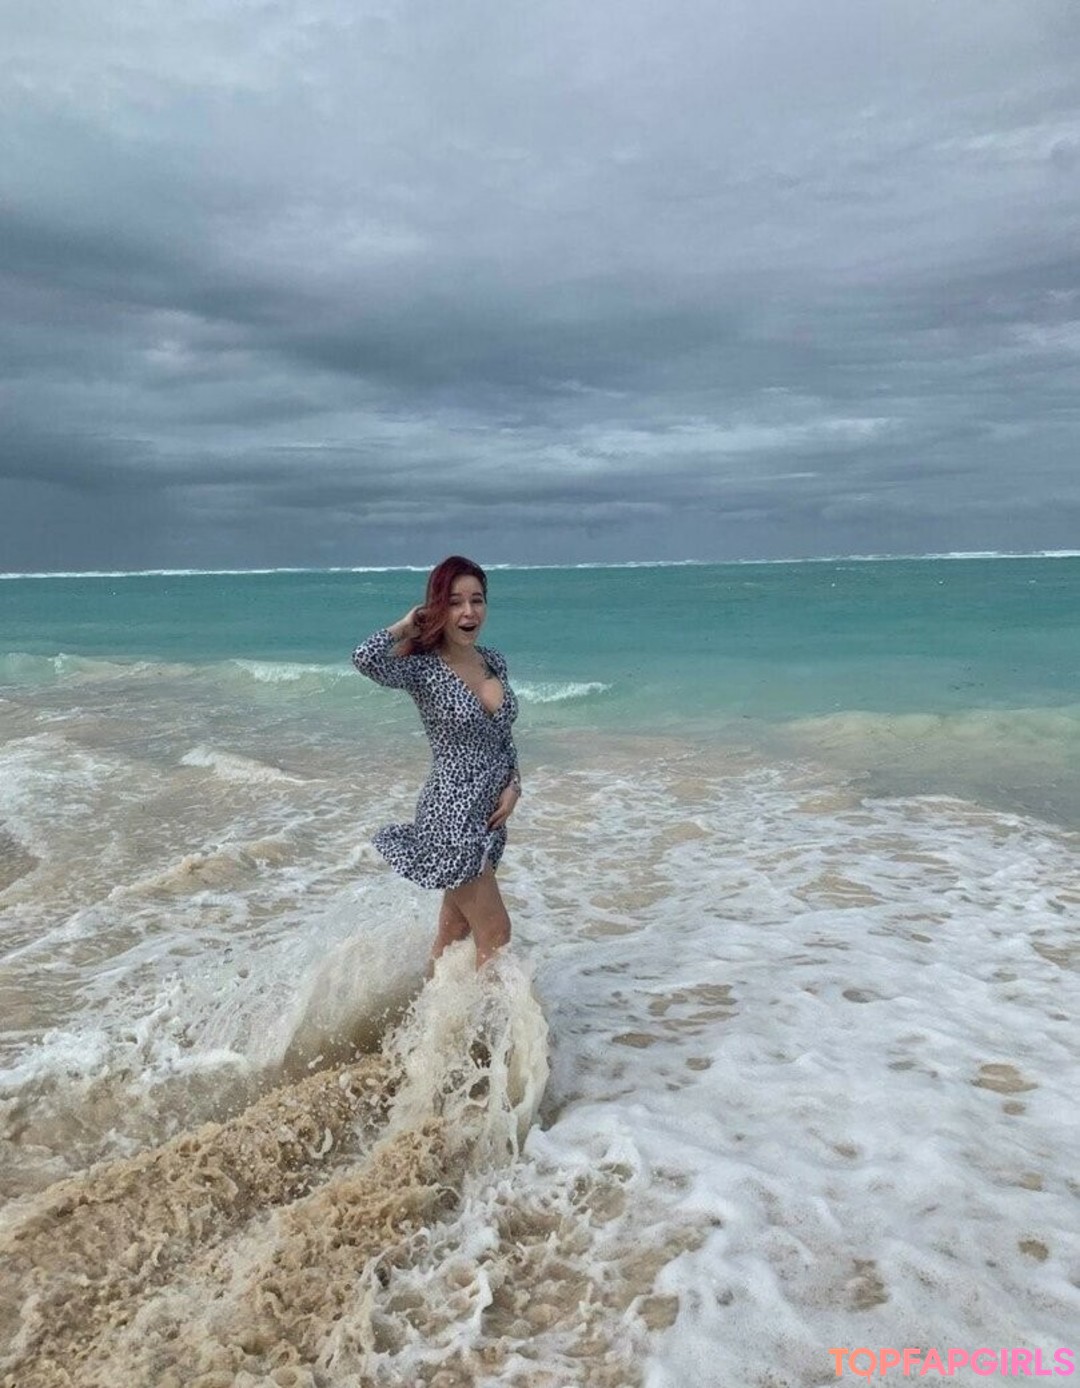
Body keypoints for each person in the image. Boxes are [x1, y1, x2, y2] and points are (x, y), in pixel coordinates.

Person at [352, 556, 521, 970]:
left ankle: (424, 1005)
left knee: (454, 931)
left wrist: (514, 784)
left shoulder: (493, 661)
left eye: (477, 600)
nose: (468, 612)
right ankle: (484, 1015)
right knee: (496, 932)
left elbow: (503, 735)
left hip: (486, 817)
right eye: (455, 602)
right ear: (437, 608)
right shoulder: (423, 669)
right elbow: (364, 658)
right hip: (450, 816)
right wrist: (405, 627)